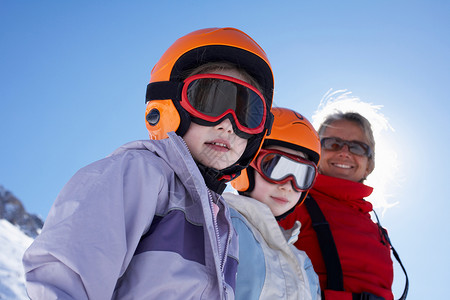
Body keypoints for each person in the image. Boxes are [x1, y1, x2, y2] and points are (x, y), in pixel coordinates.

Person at [22, 27, 275, 299]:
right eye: (210, 101)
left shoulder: (223, 224)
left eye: (247, 113)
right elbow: (64, 277)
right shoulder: (137, 174)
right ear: (169, 105)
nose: (228, 125)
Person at [279, 112, 395, 300]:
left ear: (369, 164)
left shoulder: (377, 229)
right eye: (333, 144)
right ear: (315, 151)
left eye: (357, 148)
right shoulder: (290, 202)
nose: (344, 152)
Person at [224, 107, 322, 300]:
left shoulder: (302, 263)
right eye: (275, 166)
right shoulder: (221, 225)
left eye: (302, 175)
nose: (287, 185)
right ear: (246, 164)